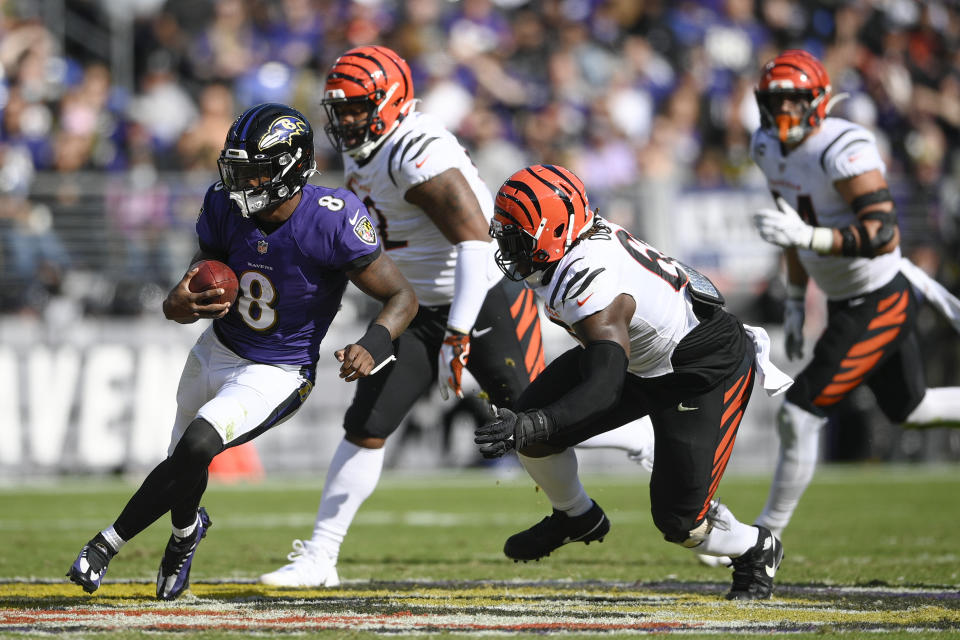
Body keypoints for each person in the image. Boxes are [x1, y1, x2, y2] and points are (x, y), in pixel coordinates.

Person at [259, 45, 654, 588]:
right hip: (414, 305)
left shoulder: (415, 151)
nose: (347, 119)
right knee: (367, 425)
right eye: (340, 108)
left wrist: (458, 334)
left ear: (392, 101)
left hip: (484, 295)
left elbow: (476, 245)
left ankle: (634, 448)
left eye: (358, 106)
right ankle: (320, 556)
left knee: (533, 418)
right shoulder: (366, 146)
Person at [66, 103, 417, 600]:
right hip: (217, 348)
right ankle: (187, 533)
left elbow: (402, 296)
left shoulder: (332, 219)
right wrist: (181, 299)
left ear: (289, 170)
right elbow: (202, 269)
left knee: (196, 449)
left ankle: (105, 544)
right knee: (183, 469)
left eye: (253, 172)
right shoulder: (224, 204)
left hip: (277, 368)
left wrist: (374, 343)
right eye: (237, 170)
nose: (241, 184)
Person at [474, 163, 794, 600]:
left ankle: (756, 547)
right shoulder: (576, 241)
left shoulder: (590, 278)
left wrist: (532, 426)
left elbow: (603, 389)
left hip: (698, 371)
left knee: (681, 523)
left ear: (553, 232)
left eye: (517, 238)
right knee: (530, 421)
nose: (508, 249)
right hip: (641, 357)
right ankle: (575, 516)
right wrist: (531, 426)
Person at [747, 49, 960, 542]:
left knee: (799, 411)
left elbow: (882, 231)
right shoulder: (766, 147)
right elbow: (791, 228)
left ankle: (764, 542)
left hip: (881, 293)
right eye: (774, 105)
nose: (783, 116)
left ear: (819, 102)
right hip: (845, 296)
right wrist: (798, 300)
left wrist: (811, 240)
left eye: (794, 104)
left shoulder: (840, 145)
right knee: (913, 410)